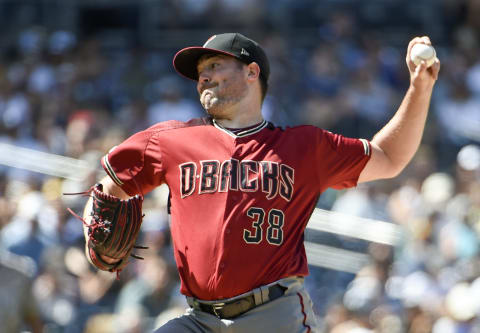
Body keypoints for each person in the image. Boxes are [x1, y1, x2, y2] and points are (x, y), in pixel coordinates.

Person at [82, 33, 440, 332]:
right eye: (200, 72)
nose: (202, 76)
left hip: (274, 314)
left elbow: (389, 157)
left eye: (214, 66)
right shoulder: (171, 141)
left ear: (252, 71)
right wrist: (93, 237)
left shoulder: (303, 147)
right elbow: (107, 190)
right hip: (199, 319)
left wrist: (419, 90)